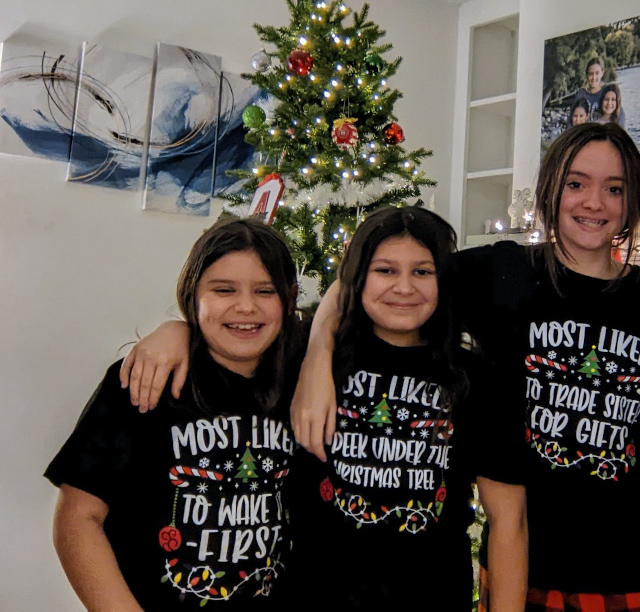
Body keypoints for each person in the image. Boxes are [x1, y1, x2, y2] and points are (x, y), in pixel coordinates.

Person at [295, 123, 640, 611]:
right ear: (550, 189)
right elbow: (371, 273)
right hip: (523, 563)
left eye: (614, 188)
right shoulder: (501, 271)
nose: (593, 202)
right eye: (576, 183)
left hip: (623, 561)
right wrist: (317, 354)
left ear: (633, 199)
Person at [117, 209, 528, 611]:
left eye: (423, 271)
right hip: (314, 596)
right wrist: (177, 329)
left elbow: (509, 522)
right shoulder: (298, 360)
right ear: (357, 278)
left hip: (432, 595)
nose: (404, 287)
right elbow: (235, 333)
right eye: (385, 270)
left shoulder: (475, 378)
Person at [46, 218, 303, 610]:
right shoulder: (144, 380)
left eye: (265, 291)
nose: (246, 306)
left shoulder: (302, 383)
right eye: (223, 290)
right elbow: (79, 518)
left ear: (288, 298)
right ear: (191, 294)